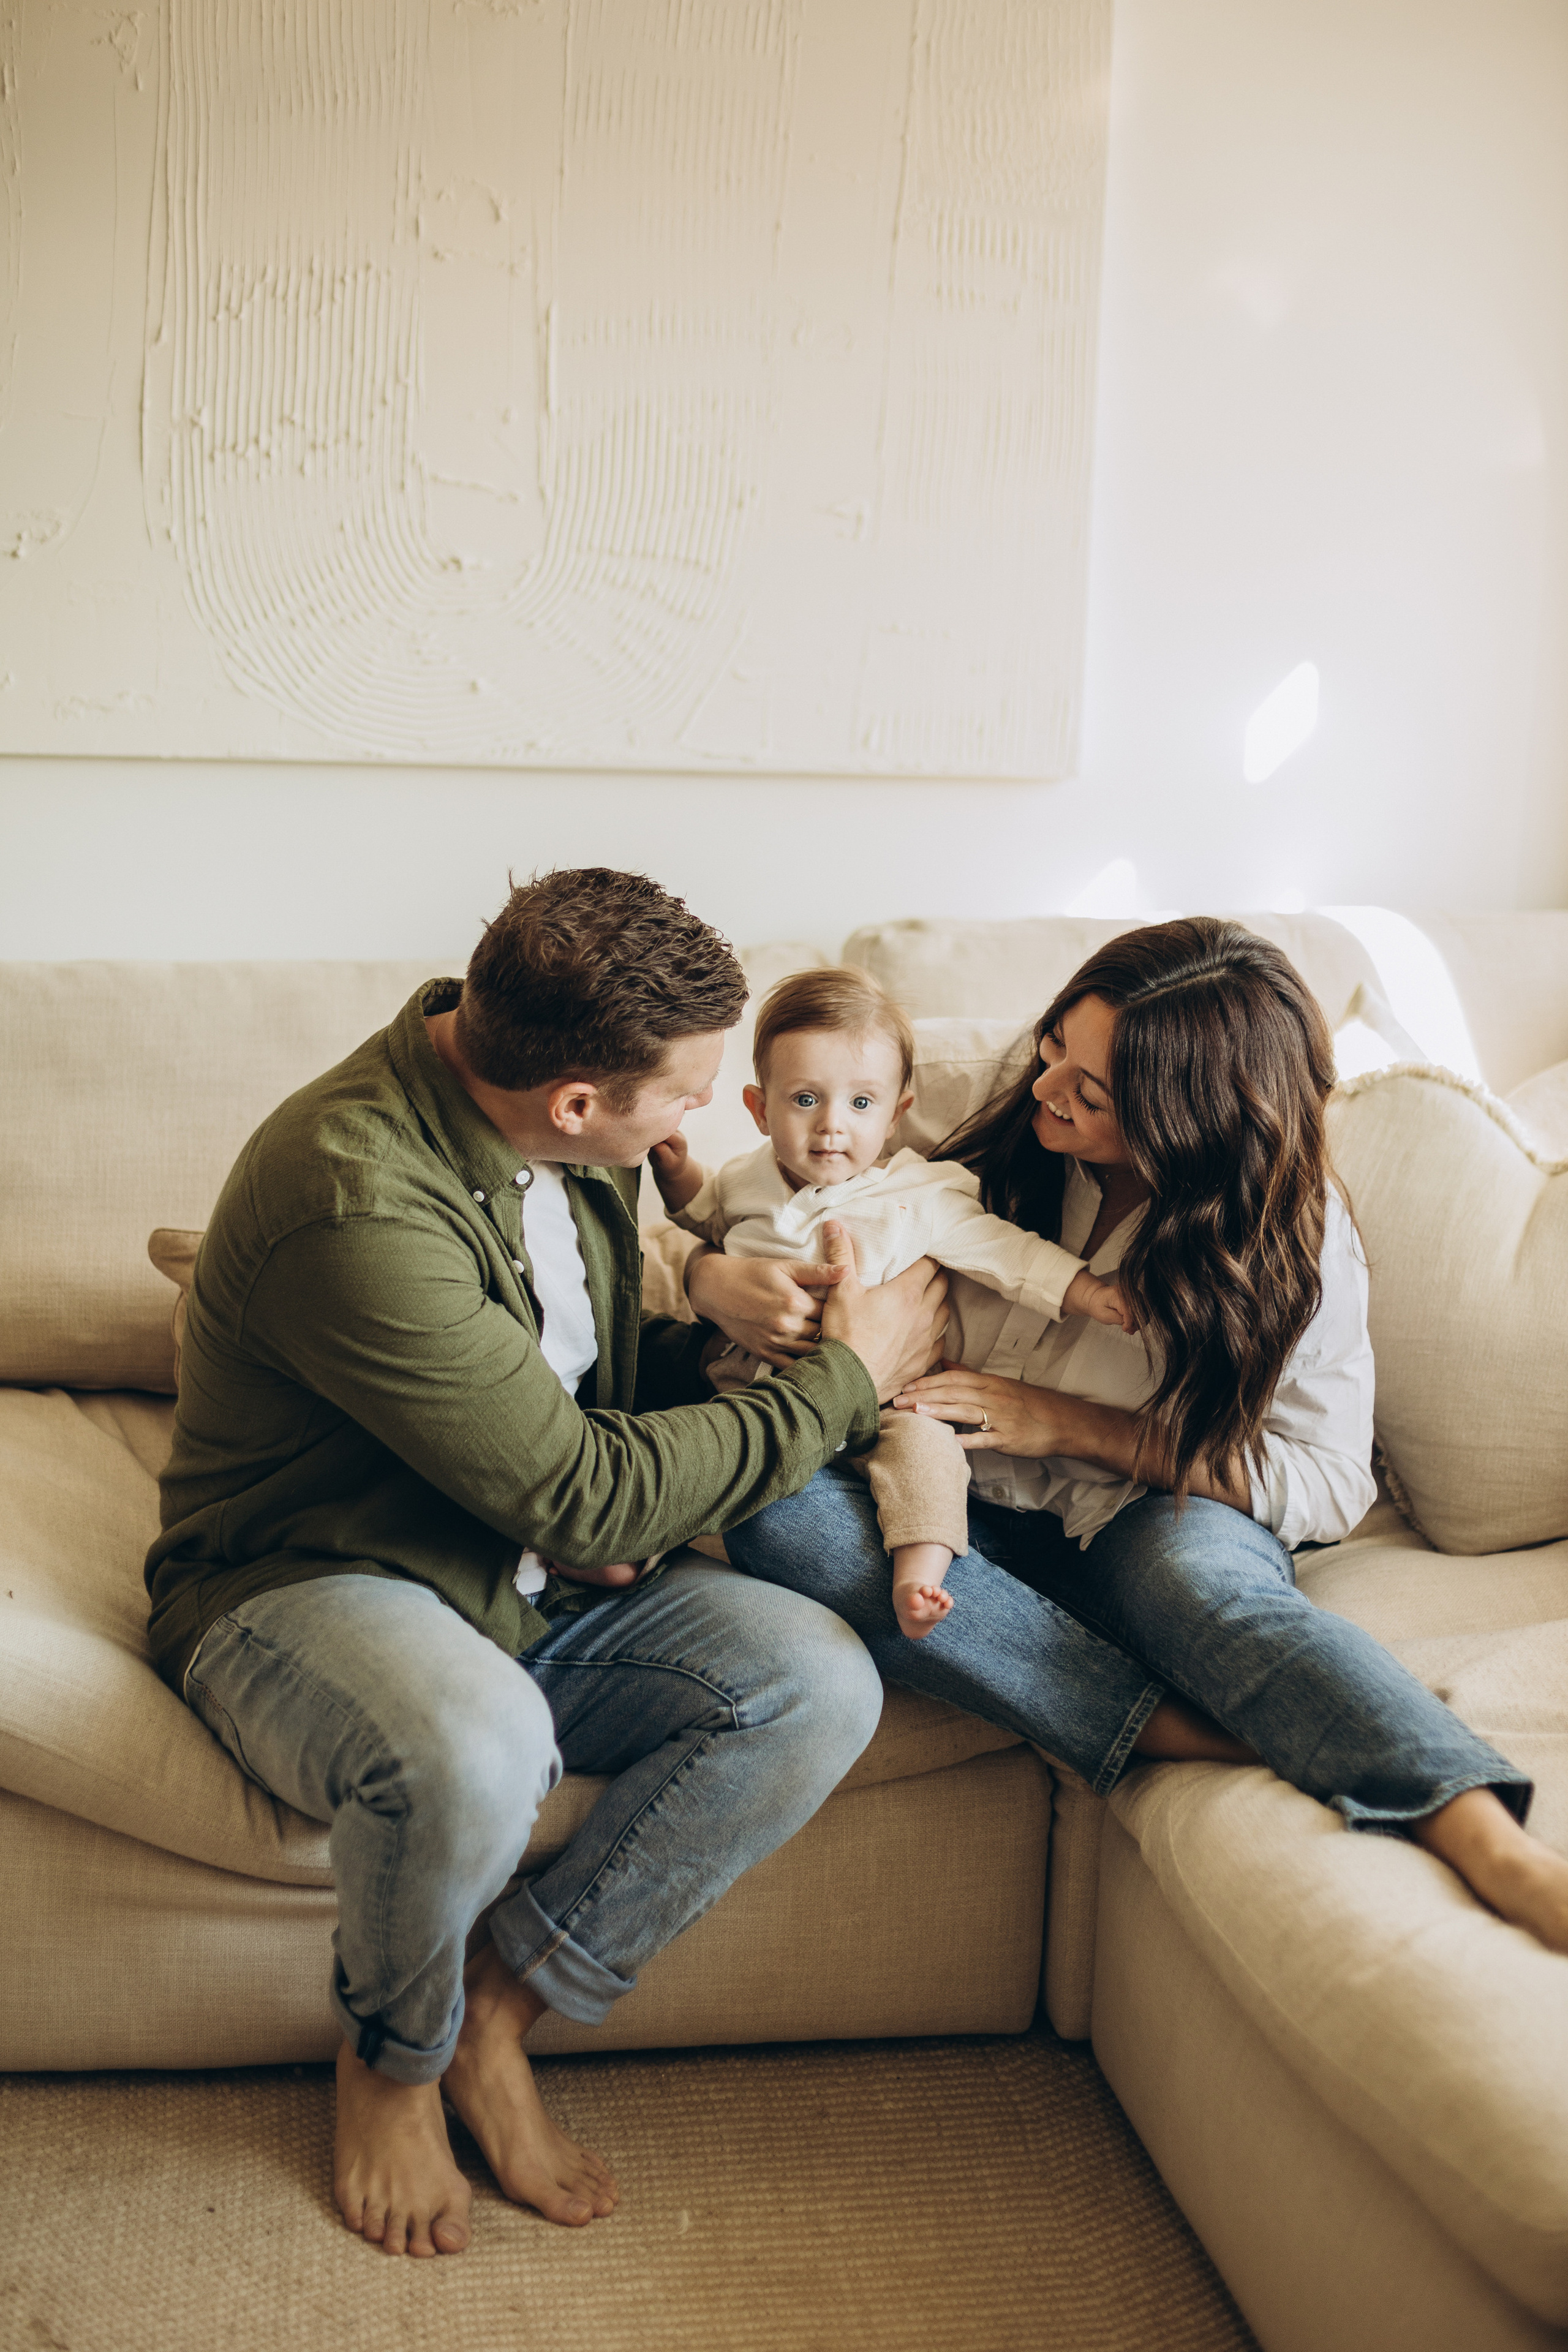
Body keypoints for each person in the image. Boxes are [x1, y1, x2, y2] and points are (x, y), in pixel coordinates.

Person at [145, 869, 947, 2260]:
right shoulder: (355, 1195)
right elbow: (579, 1489)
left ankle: (500, 2008)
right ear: (577, 1099)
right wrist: (843, 1378)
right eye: (681, 1095)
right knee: (478, 1741)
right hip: (309, 1581)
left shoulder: (545, 1122)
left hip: (521, 1567)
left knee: (812, 1681)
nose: (698, 1119)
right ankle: (395, 2056)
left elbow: (585, 1390)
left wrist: (707, 1306)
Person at [693, 918, 1568, 1954]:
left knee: (1200, 1592)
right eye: (1058, 1042)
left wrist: (1077, 1427)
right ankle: (1164, 1724)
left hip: (1149, 1505)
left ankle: (1483, 1836)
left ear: (1188, 1120)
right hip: (941, 1484)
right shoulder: (988, 1104)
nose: (1047, 1087)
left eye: (1093, 1091)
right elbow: (758, 1207)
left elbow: (1328, 1482)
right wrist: (716, 1283)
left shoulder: (1293, 1234)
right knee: (774, 1513)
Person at [651, 965, 1127, 1637]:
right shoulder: (744, 1180)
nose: (832, 1128)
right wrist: (677, 1178)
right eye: (805, 1100)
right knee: (687, 1437)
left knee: (929, 1457)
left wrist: (1084, 1291)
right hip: (753, 1385)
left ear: (898, 1113)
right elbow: (706, 1218)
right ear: (759, 1109)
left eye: (861, 1105)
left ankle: (920, 1575)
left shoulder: (921, 1194)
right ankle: (647, 1540)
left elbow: (1006, 1254)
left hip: (889, 1400)